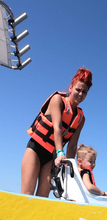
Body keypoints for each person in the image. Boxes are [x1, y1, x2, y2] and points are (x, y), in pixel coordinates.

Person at [21, 68, 92, 197]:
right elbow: (57, 127)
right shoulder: (57, 100)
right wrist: (60, 152)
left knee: (43, 196)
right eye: (78, 89)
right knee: (27, 193)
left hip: (51, 158)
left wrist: (69, 168)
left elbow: (72, 145)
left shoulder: (81, 118)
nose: (80, 94)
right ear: (70, 88)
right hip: (36, 149)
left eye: (84, 92)